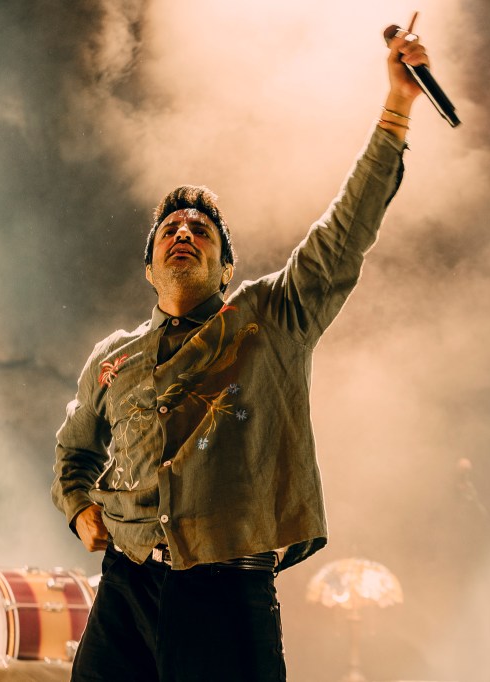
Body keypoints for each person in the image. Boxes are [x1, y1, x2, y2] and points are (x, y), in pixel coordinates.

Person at [52, 22, 431, 682]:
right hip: (127, 589)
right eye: (169, 227)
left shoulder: (270, 317)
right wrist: (80, 506)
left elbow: (343, 235)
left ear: (227, 268)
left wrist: (396, 108)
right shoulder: (113, 357)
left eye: (201, 229)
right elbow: (75, 448)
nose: (183, 231)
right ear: (149, 268)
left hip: (226, 590)